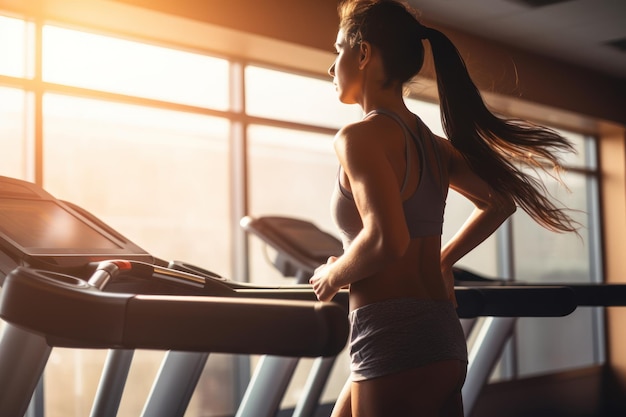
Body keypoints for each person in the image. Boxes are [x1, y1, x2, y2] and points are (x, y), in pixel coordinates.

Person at [308, 0, 578, 416]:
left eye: (338, 49)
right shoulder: (433, 145)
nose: (332, 67)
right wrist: (442, 261)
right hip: (441, 336)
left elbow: (386, 239)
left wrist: (331, 274)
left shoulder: (357, 138)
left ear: (363, 54)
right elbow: (499, 201)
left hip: (390, 335)